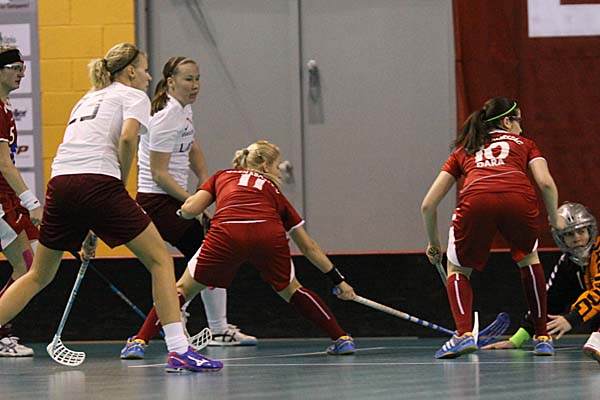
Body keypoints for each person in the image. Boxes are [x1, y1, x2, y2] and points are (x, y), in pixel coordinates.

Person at [0, 43, 222, 373]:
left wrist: (92, 226)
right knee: (160, 260)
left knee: (38, 275)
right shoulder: (133, 95)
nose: (149, 77)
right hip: (99, 182)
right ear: (130, 71)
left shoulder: (88, 97)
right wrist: (118, 182)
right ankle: (179, 349)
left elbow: (81, 174)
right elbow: (129, 139)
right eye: (145, 69)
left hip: (61, 183)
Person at [129, 140, 357, 355]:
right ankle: (341, 338)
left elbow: (190, 209)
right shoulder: (274, 192)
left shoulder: (222, 176)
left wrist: (181, 213)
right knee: (293, 289)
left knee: (180, 290)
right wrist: (338, 281)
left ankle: (139, 342)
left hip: (226, 233)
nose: (279, 173)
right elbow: (308, 246)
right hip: (268, 234)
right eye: (277, 166)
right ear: (265, 166)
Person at [120, 56, 255, 359]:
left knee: (208, 257)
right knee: (209, 255)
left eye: (197, 79)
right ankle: (171, 324)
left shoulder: (183, 110)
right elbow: (159, 174)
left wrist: (204, 182)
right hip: (157, 201)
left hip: (173, 198)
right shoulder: (166, 116)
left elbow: (192, 146)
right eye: (188, 79)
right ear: (171, 82)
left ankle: (199, 324)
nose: (195, 86)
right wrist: (194, 201)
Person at [421, 96, 561, 359]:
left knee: (458, 269)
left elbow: (428, 204)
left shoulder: (464, 150)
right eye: (518, 120)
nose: (521, 126)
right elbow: (545, 183)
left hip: (476, 201)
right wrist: (554, 218)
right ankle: (542, 337)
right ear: (507, 122)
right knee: (529, 259)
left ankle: (463, 334)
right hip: (518, 198)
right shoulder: (526, 144)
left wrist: (434, 243)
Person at [482, 202, 600, 358]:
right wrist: (516, 340)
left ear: (590, 231)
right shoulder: (567, 263)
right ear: (561, 238)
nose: (577, 238)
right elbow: (548, 302)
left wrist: (572, 319)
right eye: (570, 234)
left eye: (581, 231)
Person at [0, 46, 42, 357]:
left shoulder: (6, 108)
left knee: (37, 258)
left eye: (22, 68)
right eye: (14, 68)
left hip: (9, 198)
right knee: (26, 266)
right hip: (1, 201)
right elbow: (3, 163)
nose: (21, 73)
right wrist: (32, 201)